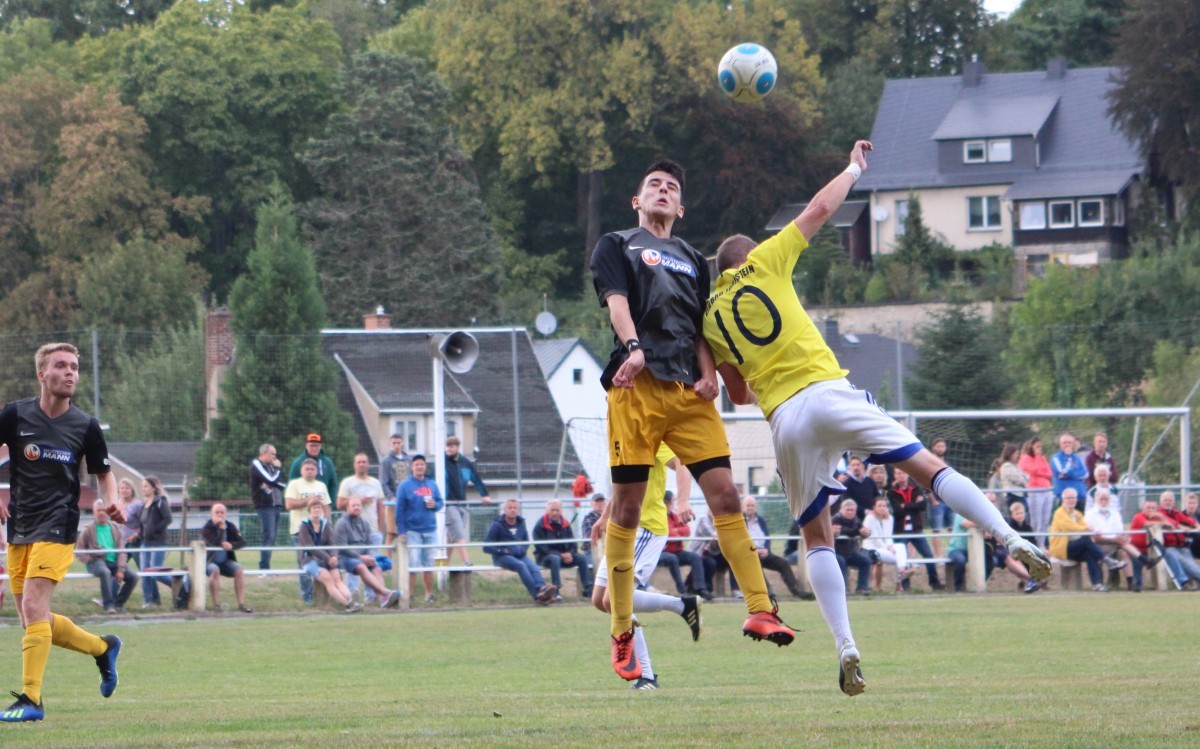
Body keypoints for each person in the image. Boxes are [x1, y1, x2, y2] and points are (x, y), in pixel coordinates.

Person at [702, 140, 1050, 697]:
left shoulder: (713, 315)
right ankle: (1008, 535)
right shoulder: (766, 261)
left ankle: (846, 644)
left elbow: (738, 394)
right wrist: (853, 168)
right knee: (928, 467)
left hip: (786, 422)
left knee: (816, 537)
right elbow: (816, 210)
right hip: (828, 390)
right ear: (750, 256)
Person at [589, 158, 789, 684]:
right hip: (635, 389)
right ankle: (622, 633)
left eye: (671, 187)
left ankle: (762, 607)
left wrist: (710, 375)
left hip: (688, 396)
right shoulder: (616, 245)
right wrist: (633, 348)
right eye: (652, 183)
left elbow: (702, 325)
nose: (661, 190)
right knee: (627, 510)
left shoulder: (693, 261)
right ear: (638, 200)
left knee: (725, 495)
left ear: (680, 207)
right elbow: (616, 301)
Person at [0, 342, 123, 722]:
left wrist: (112, 498)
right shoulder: (14, 415)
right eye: (61, 365)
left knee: (35, 608)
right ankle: (103, 648)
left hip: (60, 522)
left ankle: (32, 700)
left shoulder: (85, 425)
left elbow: (104, 472)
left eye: (75, 367)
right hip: (20, 525)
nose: (71, 372)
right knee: (32, 618)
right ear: (42, 374)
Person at [589, 445, 702, 690]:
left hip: (645, 528)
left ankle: (647, 676)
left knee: (615, 600)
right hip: (621, 528)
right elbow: (621, 489)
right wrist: (603, 517)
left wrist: (683, 501)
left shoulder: (651, 438)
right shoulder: (619, 438)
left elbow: (682, 462)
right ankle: (682, 604)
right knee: (600, 600)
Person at [483, 499, 557, 604]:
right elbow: (486, 547)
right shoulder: (497, 525)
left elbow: (526, 541)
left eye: (515, 508)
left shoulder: (521, 523)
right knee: (520, 565)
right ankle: (537, 594)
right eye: (510, 507)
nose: (512, 510)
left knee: (533, 567)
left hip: (520, 555)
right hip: (502, 557)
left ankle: (542, 588)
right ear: (504, 510)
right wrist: (501, 551)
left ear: (518, 510)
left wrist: (522, 549)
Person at [334, 497, 402, 608]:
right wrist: (360, 557)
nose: (356, 507)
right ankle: (386, 592)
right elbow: (342, 547)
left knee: (377, 568)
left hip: (363, 557)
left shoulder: (365, 524)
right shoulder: (341, 524)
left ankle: (382, 600)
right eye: (353, 505)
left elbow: (370, 544)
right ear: (347, 508)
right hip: (345, 558)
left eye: (358, 505)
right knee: (361, 567)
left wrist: (370, 557)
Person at [296, 499, 362, 613]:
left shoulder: (325, 524)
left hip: (326, 558)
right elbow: (310, 547)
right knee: (328, 580)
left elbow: (331, 542)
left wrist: (334, 556)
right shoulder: (304, 526)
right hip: (309, 560)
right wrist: (328, 558)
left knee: (337, 579)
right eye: (314, 508)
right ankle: (348, 604)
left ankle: (351, 599)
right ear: (309, 510)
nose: (317, 510)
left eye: (319, 507)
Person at [76, 500, 139, 614]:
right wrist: (89, 560)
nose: (101, 513)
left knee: (133, 577)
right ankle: (108, 605)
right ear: (94, 512)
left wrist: (121, 569)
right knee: (105, 572)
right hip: (96, 561)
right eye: (98, 510)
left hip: (114, 561)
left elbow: (121, 551)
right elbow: (79, 551)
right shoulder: (88, 529)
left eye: (103, 510)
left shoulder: (115, 528)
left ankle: (118, 604)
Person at [338, 451, 386, 601]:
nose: (361, 464)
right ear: (354, 464)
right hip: (353, 532)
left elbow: (380, 506)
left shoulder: (375, 483)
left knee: (372, 564)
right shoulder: (348, 482)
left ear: (368, 464)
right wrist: (359, 500)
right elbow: (340, 504)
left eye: (364, 462)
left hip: (372, 530)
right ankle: (351, 595)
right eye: (358, 462)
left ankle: (372, 597)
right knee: (355, 564)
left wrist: (380, 528)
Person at [887, 467, 944, 591]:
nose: (901, 475)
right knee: (903, 558)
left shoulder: (916, 488)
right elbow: (896, 510)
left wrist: (905, 505)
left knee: (928, 555)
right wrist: (913, 505)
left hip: (916, 528)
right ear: (895, 475)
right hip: (900, 529)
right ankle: (905, 585)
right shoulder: (891, 492)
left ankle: (935, 583)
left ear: (907, 474)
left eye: (903, 473)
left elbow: (922, 505)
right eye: (898, 473)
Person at [284, 458, 332, 605]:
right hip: (301, 530)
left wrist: (328, 524)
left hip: (320, 530)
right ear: (301, 471)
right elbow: (289, 505)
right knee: (304, 564)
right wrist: (308, 501)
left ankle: (325, 596)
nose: (310, 471)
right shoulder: (295, 484)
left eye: (312, 469)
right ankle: (307, 597)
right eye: (307, 469)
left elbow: (326, 506)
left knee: (323, 560)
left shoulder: (321, 485)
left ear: (316, 471)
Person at [742, 496, 810, 599]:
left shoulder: (761, 520)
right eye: (748, 505)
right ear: (743, 507)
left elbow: (767, 537)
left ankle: (796, 591)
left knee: (783, 563)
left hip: (764, 553)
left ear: (755, 507)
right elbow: (742, 540)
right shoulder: (740, 522)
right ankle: (767, 592)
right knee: (756, 565)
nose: (750, 508)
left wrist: (766, 549)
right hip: (750, 554)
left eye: (752, 505)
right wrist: (755, 550)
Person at [395, 454, 443, 602]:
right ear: (412, 467)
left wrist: (434, 505)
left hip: (430, 529)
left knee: (429, 563)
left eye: (422, 464)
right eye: (416, 464)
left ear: (425, 466)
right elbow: (400, 510)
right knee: (413, 563)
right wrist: (402, 531)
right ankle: (410, 594)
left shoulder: (432, 485)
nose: (419, 467)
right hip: (412, 530)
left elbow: (440, 503)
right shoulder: (405, 486)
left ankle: (429, 594)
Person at [1048, 488, 1112, 591]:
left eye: (1073, 497)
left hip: (1076, 547)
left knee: (1090, 555)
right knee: (1086, 541)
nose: (1071, 500)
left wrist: (1090, 530)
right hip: (1062, 548)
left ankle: (1097, 584)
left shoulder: (1077, 513)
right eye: (1068, 498)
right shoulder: (1059, 513)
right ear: (1063, 499)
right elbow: (1069, 527)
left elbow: (1083, 527)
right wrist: (1087, 529)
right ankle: (1105, 558)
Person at [443, 436, 491, 565]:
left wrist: (484, 494)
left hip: (462, 502)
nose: (448, 449)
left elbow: (476, 479)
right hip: (448, 504)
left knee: (452, 537)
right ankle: (467, 562)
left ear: (457, 447)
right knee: (458, 533)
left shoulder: (466, 463)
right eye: (447, 446)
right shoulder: (441, 462)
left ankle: (443, 566)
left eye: (451, 446)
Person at [1084, 489, 1145, 592]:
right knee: (1121, 544)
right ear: (1096, 500)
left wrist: (1119, 537)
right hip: (1098, 544)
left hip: (1115, 543)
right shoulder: (1089, 514)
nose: (1104, 502)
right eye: (1101, 499)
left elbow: (1119, 531)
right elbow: (1094, 537)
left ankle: (1131, 582)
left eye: (1106, 499)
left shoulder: (1115, 513)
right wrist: (1115, 539)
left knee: (1124, 552)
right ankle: (1142, 558)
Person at [533, 499, 593, 599]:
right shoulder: (540, 525)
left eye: (557, 510)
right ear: (547, 511)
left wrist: (570, 553)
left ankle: (588, 588)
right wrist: (561, 555)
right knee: (554, 558)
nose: (555, 513)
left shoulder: (565, 524)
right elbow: (541, 547)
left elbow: (573, 544)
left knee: (582, 558)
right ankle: (556, 590)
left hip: (564, 557)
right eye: (552, 510)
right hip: (545, 558)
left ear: (561, 511)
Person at [200, 503, 251, 613]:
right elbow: (215, 543)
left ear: (226, 514)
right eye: (217, 512)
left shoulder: (231, 526)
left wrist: (232, 545)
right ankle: (216, 605)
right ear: (211, 514)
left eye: (222, 512)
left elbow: (242, 542)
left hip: (225, 561)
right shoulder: (207, 528)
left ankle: (241, 604)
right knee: (215, 570)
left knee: (239, 569)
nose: (219, 515)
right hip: (209, 561)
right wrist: (221, 528)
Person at [663, 492, 712, 600]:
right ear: (667, 502)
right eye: (673, 501)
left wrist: (675, 531)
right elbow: (668, 533)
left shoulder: (675, 515)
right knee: (672, 559)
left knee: (695, 557)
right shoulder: (660, 516)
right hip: (662, 553)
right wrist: (676, 532)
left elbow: (687, 530)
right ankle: (683, 590)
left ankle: (699, 588)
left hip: (677, 551)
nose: (674, 503)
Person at [862, 497, 914, 593]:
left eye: (884, 506)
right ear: (874, 507)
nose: (882, 508)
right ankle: (901, 577)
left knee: (901, 547)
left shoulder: (889, 518)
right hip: (871, 549)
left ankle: (902, 570)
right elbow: (874, 538)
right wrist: (888, 548)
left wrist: (890, 547)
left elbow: (888, 536)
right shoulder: (869, 518)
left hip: (885, 549)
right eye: (879, 506)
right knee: (900, 557)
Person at [249, 443, 286, 570]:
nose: (274, 457)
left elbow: (278, 483)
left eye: (275, 454)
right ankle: (263, 569)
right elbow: (271, 480)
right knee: (268, 536)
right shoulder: (257, 464)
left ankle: (267, 567)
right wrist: (278, 469)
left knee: (273, 537)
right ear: (263, 454)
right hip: (264, 505)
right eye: (272, 454)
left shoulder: (270, 467)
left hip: (275, 505)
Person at [139, 475, 173, 608]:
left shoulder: (160, 502)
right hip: (145, 542)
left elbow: (168, 518)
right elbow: (143, 523)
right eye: (143, 486)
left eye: (146, 486)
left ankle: (179, 585)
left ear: (153, 488)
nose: (144, 489)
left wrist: (156, 530)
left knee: (155, 572)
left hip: (158, 542)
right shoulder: (144, 505)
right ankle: (149, 600)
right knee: (144, 572)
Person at [831, 500, 873, 596]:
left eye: (852, 510)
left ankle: (862, 587)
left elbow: (863, 530)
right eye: (848, 510)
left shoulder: (856, 520)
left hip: (851, 552)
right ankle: (843, 589)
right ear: (841, 510)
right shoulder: (835, 519)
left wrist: (866, 533)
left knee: (866, 561)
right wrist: (859, 531)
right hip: (836, 552)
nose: (850, 512)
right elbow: (844, 531)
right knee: (841, 562)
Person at [1017, 437, 1053, 548]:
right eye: (1037, 446)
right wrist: (1037, 458)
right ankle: (1034, 545)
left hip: (1046, 490)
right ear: (1031, 446)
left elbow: (1049, 473)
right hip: (1034, 491)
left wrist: (1040, 472)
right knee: (1036, 520)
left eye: (1040, 446)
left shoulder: (1042, 458)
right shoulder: (1025, 458)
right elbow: (1034, 470)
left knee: (1045, 520)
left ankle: (1041, 545)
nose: (1039, 448)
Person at [379, 433, 413, 545]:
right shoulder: (386, 461)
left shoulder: (408, 459)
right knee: (391, 533)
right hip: (393, 502)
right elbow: (383, 483)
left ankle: (407, 560)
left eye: (398, 443)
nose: (396, 445)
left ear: (402, 443)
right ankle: (388, 561)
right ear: (390, 444)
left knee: (408, 532)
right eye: (394, 443)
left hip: (408, 502)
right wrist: (391, 497)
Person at [926, 441, 956, 556]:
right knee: (936, 530)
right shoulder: (929, 463)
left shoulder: (948, 464)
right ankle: (938, 556)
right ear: (933, 448)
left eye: (942, 446)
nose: (940, 448)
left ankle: (951, 553)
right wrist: (933, 499)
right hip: (936, 502)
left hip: (949, 501)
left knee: (952, 529)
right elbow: (926, 481)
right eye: (938, 446)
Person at [288, 433, 338, 501]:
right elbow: (291, 483)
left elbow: (333, 484)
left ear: (320, 446)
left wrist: (331, 503)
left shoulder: (327, 463)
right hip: (303, 504)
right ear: (306, 446)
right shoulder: (298, 463)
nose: (314, 448)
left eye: (316, 446)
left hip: (322, 502)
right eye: (311, 446)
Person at [1051, 433, 1088, 505]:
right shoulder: (1055, 458)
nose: (1067, 444)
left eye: (1069, 442)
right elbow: (1063, 471)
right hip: (1065, 498)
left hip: (1080, 496)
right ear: (1060, 444)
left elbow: (1085, 474)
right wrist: (1068, 457)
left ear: (1073, 444)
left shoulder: (1077, 457)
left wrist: (1070, 475)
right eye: (1064, 442)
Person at [995, 443, 1029, 514]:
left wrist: (1024, 477)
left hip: (1020, 495)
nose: (1018, 455)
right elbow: (1020, 480)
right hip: (1013, 496)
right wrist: (1024, 478)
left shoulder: (1015, 466)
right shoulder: (1006, 467)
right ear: (1010, 454)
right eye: (1016, 453)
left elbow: (1026, 476)